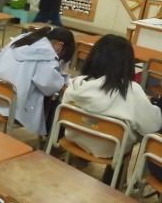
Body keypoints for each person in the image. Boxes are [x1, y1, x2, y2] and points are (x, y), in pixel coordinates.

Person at [62, 35, 162, 182]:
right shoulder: (131, 90)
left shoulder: (77, 83)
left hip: (75, 137)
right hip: (111, 149)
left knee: (100, 123)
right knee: (130, 129)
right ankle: (112, 183)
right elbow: (151, 126)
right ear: (127, 63)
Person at [0, 26, 74, 136]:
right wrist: (62, 77)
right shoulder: (47, 55)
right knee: (53, 101)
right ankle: (49, 139)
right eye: (62, 56)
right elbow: (49, 87)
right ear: (59, 45)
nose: (58, 58)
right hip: (12, 105)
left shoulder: (23, 39)